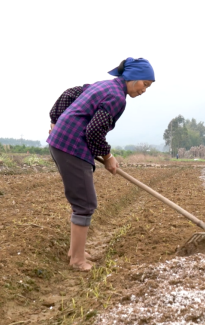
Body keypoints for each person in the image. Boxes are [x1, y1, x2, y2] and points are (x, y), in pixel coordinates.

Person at [47, 57, 154, 271]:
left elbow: (69, 93)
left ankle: (74, 250)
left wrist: (55, 122)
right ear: (132, 78)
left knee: (82, 201)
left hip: (63, 143)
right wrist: (108, 156)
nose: (144, 90)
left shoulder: (103, 86)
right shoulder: (116, 97)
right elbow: (94, 132)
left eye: (148, 87)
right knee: (85, 203)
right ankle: (77, 260)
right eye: (144, 84)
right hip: (71, 147)